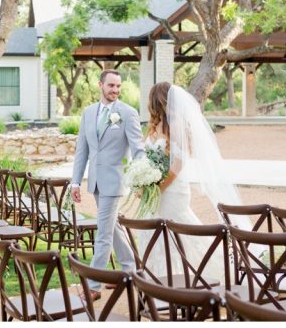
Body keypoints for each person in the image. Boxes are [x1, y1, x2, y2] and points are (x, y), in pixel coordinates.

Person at [137, 82, 250, 279]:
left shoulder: (178, 125)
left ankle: (204, 275)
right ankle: (156, 280)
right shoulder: (155, 125)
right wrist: (140, 182)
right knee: (153, 232)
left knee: (179, 234)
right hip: (154, 190)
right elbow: (147, 158)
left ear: (158, 100)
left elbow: (178, 165)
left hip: (172, 191)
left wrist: (157, 188)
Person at [70, 70, 145, 301]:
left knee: (102, 233)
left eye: (118, 86)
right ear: (100, 84)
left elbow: (138, 149)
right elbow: (82, 149)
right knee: (112, 228)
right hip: (94, 181)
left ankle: (93, 286)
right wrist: (75, 181)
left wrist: (141, 177)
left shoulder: (128, 113)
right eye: (111, 85)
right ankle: (130, 271)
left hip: (115, 182)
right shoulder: (88, 113)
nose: (115, 90)